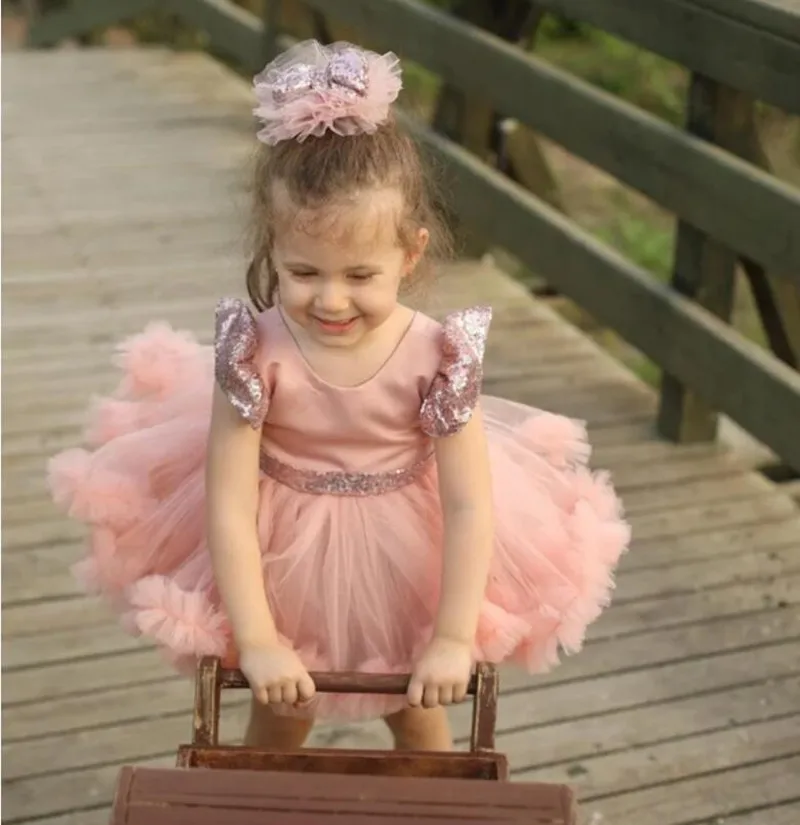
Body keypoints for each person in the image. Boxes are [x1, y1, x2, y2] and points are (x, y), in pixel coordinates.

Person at [47, 39, 630, 753]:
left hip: (405, 557)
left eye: (360, 274)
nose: (329, 298)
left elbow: (471, 501)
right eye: (302, 271)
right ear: (271, 247)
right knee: (280, 712)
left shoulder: (437, 356)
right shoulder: (253, 352)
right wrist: (257, 639)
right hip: (279, 552)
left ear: (410, 254)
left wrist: (452, 635)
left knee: (419, 712)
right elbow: (228, 501)